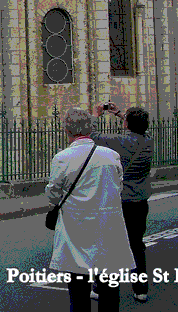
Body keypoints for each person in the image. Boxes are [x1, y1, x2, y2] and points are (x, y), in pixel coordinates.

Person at [46, 107, 135, 312]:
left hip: (76, 229)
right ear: (90, 128)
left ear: (67, 130)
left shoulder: (62, 158)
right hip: (107, 228)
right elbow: (118, 187)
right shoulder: (111, 156)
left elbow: (53, 194)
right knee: (110, 291)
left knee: (78, 291)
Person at [92, 103, 154, 303]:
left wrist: (96, 114)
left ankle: (101, 287)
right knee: (136, 245)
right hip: (140, 201)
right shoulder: (148, 141)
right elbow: (139, 126)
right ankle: (141, 289)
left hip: (121, 202)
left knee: (109, 245)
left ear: (127, 124)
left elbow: (93, 136)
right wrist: (120, 114)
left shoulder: (121, 142)